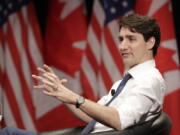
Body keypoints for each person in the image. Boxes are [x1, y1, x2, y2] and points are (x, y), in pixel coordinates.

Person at [32, 13, 166, 134]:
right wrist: (62, 94)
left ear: (150, 43)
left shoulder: (149, 80)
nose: (122, 46)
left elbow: (119, 120)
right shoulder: (125, 82)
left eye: (131, 39)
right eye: (121, 39)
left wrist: (75, 98)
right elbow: (92, 117)